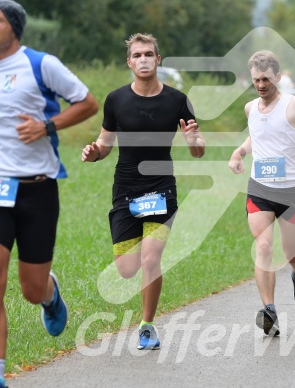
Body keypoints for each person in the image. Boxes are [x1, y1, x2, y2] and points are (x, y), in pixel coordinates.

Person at [0, 1, 99, 387]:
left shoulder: (40, 64)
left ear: (14, 27)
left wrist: (47, 126)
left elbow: (87, 103)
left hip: (37, 190)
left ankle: (49, 294)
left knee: (30, 289)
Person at [81, 33, 205, 351]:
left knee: (151, 260)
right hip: (125, 189)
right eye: (137, 55)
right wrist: (93, 152)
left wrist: (193, 140)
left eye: (149, 53)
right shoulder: (116, 100)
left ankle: (146, 325)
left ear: (158, 59)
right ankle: (144, 311)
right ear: (129, 62)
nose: (143, 59)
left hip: (161, 188)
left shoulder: (177, 100)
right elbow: (104, 145)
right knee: (127, 269)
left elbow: (198, 150)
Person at [229, 50, 295, 336]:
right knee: (263, 247)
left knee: (290, 253)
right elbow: (257, 135)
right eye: (257, 79)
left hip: (289, 191)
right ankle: (269, 310)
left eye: (267, 79)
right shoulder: (250, 108)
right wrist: (239, 151)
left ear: (278, 77)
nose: (261, 84)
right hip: (259, 188)